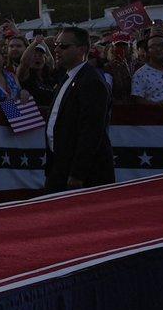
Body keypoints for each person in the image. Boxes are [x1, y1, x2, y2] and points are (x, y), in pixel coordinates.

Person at [43, 26, 113, 192]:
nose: (57, 50)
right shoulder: (66, 76)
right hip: (60, 165)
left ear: (82, 49)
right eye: (56, 45)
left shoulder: (91, 81)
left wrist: (78, 173)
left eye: (64, 46)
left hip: (82, 173)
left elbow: (91, 130)